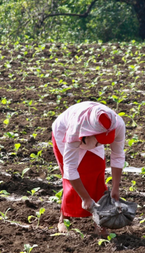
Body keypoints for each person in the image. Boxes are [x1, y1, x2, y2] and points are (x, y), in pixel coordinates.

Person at [52, 101, 125, 236]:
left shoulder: (117, 124)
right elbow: (70, 169)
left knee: (97, 173)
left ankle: (99, 221)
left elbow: (118, 155)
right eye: (100, 139)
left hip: (89, 138)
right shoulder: (74, 129)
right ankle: (63, 218)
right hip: (64, 133)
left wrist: (115, 188)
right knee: (73, 179)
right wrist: (86, 198)